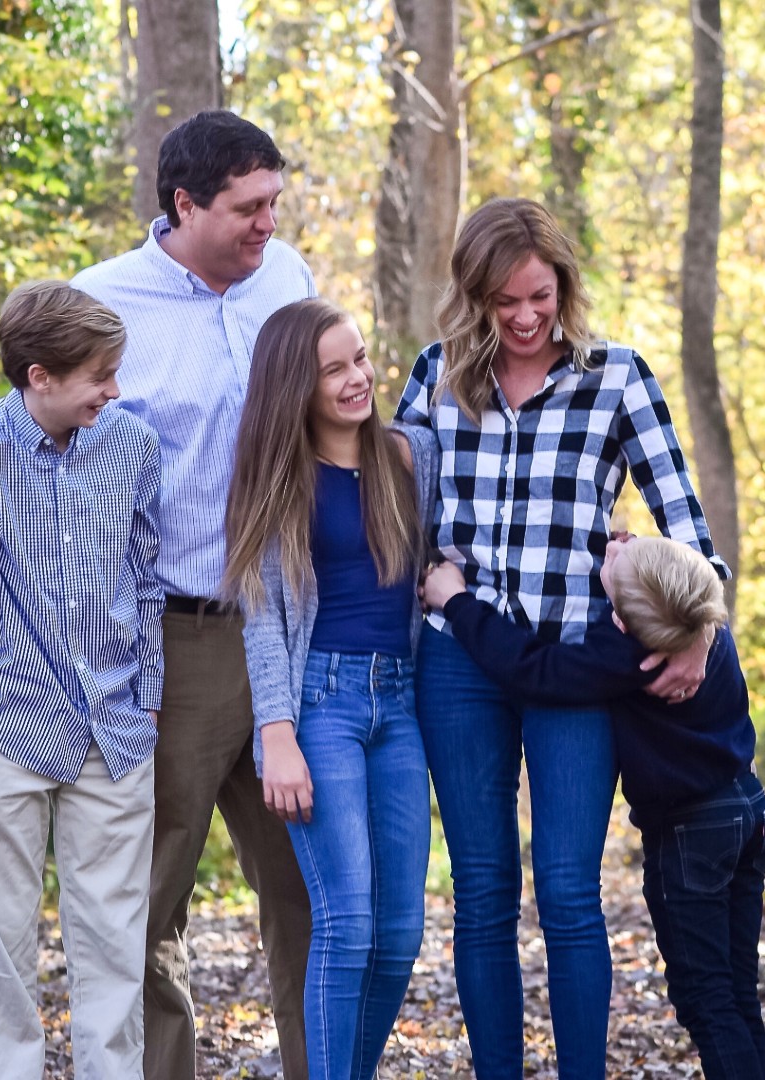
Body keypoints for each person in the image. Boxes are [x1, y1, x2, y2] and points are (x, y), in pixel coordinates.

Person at [0, 111, 317, 1080]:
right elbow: (10, 456)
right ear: (184, 204)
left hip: (287, 626)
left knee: (309, 895)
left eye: (274, 204)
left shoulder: (292, 282)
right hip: (158, 644)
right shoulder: (100, 304)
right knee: (141, 911)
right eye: (247, 208)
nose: (268, 224)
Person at [394, 197, 730, 1079]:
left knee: (571, 895)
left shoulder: (615, 378)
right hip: (459, 663)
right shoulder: (433, 377)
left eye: (538, 295)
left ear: (564, 286)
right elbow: (389, 511)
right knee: (482, 895)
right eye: (502, 301)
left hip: (574, 669)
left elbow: (687, 532)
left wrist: (698, 632)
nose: (524, 317)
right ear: (472, 297)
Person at [421, 536, 765, 1080]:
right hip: (748, 806)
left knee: (706, 998)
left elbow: (533, 670)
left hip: (690, 835)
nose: (616, 544)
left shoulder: (629, 653)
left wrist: (457, 601)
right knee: (735, 986)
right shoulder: (701, 625)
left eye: (615, 563)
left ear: (626, 623)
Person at [0, 280, 165, 1079]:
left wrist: (150, 695)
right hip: (7, 723)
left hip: (115, 728)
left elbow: (146, 578)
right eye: (100, 374)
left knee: (114, 949)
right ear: (40, 375)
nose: (115, 389)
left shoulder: (132, 447)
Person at [223, 299, 437, 1080]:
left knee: (402, 930)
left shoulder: (410, 456)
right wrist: (275, 732)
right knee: (346, 923)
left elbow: (467, 538)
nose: (358, 379)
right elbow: (262, 616)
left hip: (401, 703)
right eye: (335, 369)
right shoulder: (281, 479)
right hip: (322, 703)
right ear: (296, 387)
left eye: (360, 359)